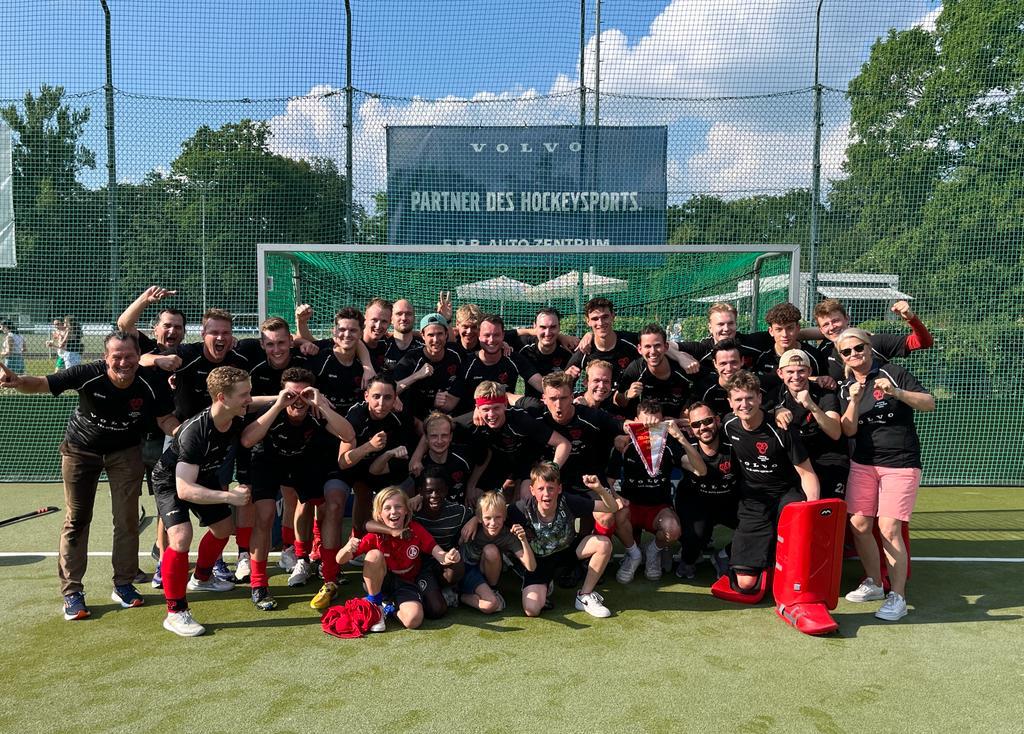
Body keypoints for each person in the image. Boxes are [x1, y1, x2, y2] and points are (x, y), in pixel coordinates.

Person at [1, 331, 177, 621]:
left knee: (127, 519)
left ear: (139, 357)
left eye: (129, 356)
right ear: (105, 358)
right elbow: (43, 383)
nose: (123, 362)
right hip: (80, 451)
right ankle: (72, 592)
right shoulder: (88, 374)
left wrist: (182, 432)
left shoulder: (151, 381)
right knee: (77, 519)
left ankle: (123, 584)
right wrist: (18, 381)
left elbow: (165, 418)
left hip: (125, 452)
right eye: (116, 357)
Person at [151, 367, 264, 636]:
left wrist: (283, 397)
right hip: (171, 482)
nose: (249, 399)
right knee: (181, 537)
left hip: (204, 475)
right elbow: (185, 490)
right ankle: (176, 612)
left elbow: (256, 402)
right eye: (244, 394)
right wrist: (230, 497)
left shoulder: (233, 414)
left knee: (224, 529)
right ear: (222, 398)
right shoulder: (194, 432)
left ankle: (202, 578)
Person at [837, 327, 935, 622]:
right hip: (863, 463)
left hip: (900, 463)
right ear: (842, 357)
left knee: (889, 528)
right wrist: (854, 401)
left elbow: (929, 403)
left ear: (869, 348)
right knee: (859, 524)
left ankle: (898, 597)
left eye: (859, 348)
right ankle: (875, 583)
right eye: (846, 351)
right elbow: (848, 430)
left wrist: (898, 393)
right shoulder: (846, 387)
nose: (854, 354)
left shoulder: (893, 373)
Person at [240, 368, 355, 611]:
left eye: (304, 394)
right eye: (292, 394)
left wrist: (321, 404)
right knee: (265, 514)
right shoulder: (272, 410)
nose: (298, 400)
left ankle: (327, 573)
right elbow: (247, 440)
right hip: (267, 463)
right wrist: (278, 405)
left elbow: (348, 434)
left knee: (322, 505)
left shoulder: (316, 411)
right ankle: (258, 585)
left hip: (302, 462)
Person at [720, 370, 820, 594]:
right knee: (746, 584)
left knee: (795, 572)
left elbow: (807, 474)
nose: (744, 404)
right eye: (738, 399)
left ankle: (780, 563)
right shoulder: (728, 424)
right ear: (730, 403)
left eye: (749, 398)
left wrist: (811, 512)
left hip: (786, 494)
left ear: (759, 398)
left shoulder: (782, 428)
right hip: (753, 500)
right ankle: (757, 559)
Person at [506, 464, 624, 618]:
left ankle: (584, 595)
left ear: (559, 488)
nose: (546, 494)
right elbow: (496, 520)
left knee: (603, 544)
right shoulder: (519, 509)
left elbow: (612, 508)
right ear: (532, 490)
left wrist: (600, 489)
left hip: (567, 551)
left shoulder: (568, 501)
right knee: (531, 610)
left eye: (551, 488)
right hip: (538, 562)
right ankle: (545, 584)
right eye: (541, 489)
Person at [336, 486, 461, 631]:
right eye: (387, 508)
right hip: (382, 582)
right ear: (379, 513)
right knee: (374, 555)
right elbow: (340, 560)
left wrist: (449, 557)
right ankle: (375, 605)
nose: (393, 511)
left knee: (414, 620)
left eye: (398, 507)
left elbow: (438, 553)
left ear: (406, 510)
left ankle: (388, 607)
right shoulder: (374, 536)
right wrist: (347, 548)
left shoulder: (416, 530)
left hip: (406, 583)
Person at [608, 399, 706, 583]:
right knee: (615, 514)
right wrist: (616, 496)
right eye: (645, 424)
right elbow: (608, 481)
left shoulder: (669, 444)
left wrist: (681, 438)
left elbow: (700, 470)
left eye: (655, 425)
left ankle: (653, 551)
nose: (650, 430)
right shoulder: (624, 445)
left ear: (662, 422)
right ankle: (634, 555)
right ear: (635, 421)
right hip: (631, 507)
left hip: (658, 508)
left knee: (673, 529)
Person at [459, 381, 570, 505]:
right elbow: (447, 424)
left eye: (496, 408)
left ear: (505, 405)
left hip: (526, 460)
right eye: (485, 409)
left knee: (527, 498)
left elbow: (563, 444)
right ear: (477, 408)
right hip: (497, 462)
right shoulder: (473, 422)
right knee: (477, 498)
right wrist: (470, 486)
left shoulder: (521, 419)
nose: (491, 414)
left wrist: (550, 473)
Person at [674, 401, 738, 579]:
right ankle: (689, 557)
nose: (703, 427)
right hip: (696, 502)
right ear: (690, 428)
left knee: (760, 527)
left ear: (717, 420)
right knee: (694, 540)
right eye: (696, 424)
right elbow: (700, 470)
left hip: (729, 501)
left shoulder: (734, 444)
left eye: (708, 421)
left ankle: (724, 555)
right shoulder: (685, 446)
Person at [773, 349, 849, 499]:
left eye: (801, 371)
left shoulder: (824, 394)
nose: (796, 377)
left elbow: (835, 432)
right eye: (790, 372)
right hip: (798, 462)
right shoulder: (777, 395)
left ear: (810, 371)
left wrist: (812, 406)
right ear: (780, 373)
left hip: (829, 460)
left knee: (830, 507)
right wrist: (776, 410)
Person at [813, 298, 933, 382]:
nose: (832, 327)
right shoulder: (823, 352)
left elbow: (923, 342)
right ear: (821, 330)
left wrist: (911, 318)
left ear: (847, 318)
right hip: (844, 411)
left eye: (835, 321)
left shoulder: (873, 342)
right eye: (826, 324)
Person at [459, 491, 536, 614]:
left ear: (504, 517)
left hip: (480, 575)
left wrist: (523, 540)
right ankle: (456, 592)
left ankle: (481, 592)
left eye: (498, 517)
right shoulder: (472, 526)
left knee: (491, 550)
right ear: (480, 518)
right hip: (464, 571)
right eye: (488, 518)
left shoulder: (508, 536)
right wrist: (473, 520)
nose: (493, 523)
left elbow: (531, 567)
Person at [451, 314, 541, 414]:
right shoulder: (467, 363)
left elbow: (540, 383)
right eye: (487, 335)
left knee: (534, 406)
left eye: (496, 335)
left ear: (503, 335)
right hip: (472, 417)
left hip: (502, 415)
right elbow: (450, 402)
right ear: (479, 335)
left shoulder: (513, 358)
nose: (491, 340)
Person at [615, 323, 694, 418]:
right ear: (639, 349)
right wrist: (627, 395)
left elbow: (697, 398)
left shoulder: (683, 369)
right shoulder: (636, 369)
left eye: (657, 346)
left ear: (666, 347)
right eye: (647, 346)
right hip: (646, 424)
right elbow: (617, 400)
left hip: (678, 423)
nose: (652, 351)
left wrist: (684, 417)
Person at [393, 312, 463, 419]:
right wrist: (417, 375)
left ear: (446, 334)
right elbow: (392, 390)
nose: (436, 340)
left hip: (447, 417)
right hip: (416, 416)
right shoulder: (412, 358)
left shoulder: (455, 355)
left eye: (440, 334)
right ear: (423, 336)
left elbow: (462, 384)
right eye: (430, 335)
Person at [752, 303, 832, 392]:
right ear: (771, 331)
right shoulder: (761, 356)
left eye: (790, 328)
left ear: (798, 328)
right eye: (779, 329)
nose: (784, 334)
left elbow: (823, 383)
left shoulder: (814, 356)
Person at [409, 411, 473, 505]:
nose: (439, 441)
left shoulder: (463, 457)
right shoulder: (419, 468)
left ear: (450, 437)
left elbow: (484, 456)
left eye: (444, 435)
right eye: (434, 436)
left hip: (461, 510)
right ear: (426, 438)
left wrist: (472, 486)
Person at [516, 308, 579, 397]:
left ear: (559, 327)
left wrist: (589, 335)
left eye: (553, 327)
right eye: (543, 327)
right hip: (532, 403)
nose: (548, 333)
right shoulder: (523, 346)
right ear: (535, 327)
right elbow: (501, 334)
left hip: (562, 402)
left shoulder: (570, 349)